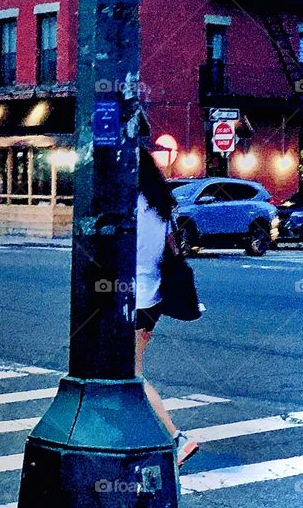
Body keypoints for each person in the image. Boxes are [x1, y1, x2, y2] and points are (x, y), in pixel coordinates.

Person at [135, 148, 199, 467]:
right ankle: (143, 440)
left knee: (132, 375)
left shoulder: (130, 205)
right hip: (153, 299)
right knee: (127, 372)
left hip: (133, 299)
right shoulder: (160, 206)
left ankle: (176, 438)